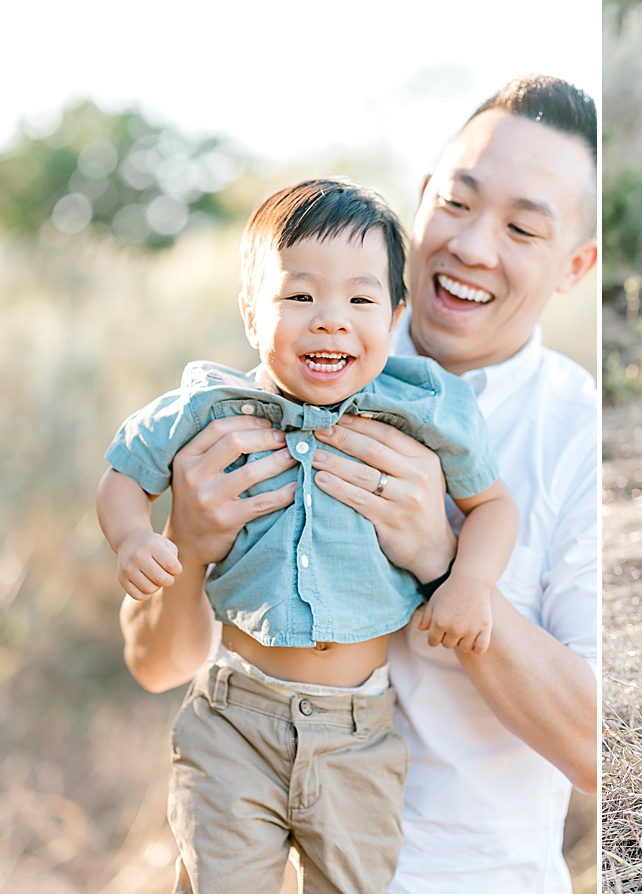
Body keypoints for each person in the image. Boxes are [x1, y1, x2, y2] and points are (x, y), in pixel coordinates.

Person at [118, 76, 598, 892]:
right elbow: (155, 666)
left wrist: (445, 561)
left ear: (575, 266)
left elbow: (599, 750)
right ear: (419, 203)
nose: (475, 246)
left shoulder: (582, 436)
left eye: (522, 227)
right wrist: (187, 546)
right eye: (457, 202)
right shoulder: (292, 355)